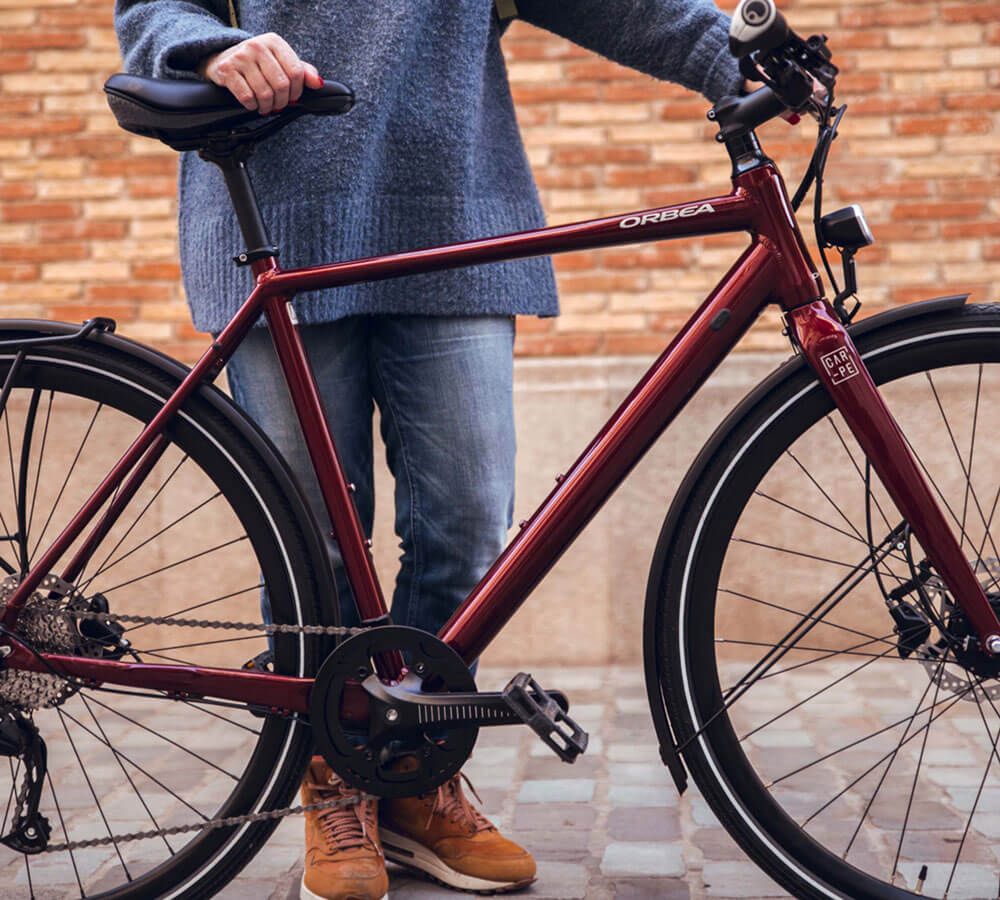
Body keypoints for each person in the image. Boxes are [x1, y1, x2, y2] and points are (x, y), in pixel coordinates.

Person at [114, 2, 744, 897]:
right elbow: (148, 7)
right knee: (315, 549)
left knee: (471, 525)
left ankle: (410, 768)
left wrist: (734, 53)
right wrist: (212, 50)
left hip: (454, 217)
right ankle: (336, 771)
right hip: (277, 207)